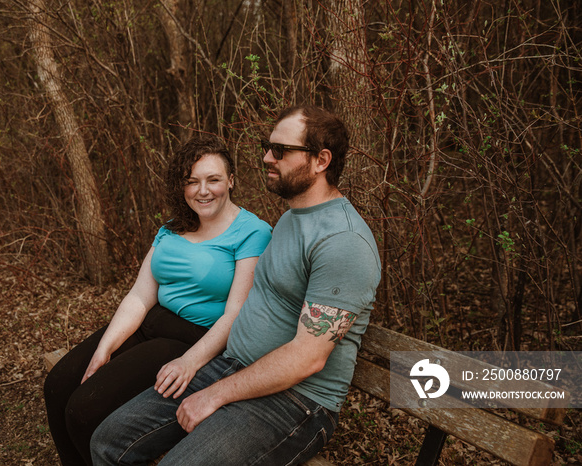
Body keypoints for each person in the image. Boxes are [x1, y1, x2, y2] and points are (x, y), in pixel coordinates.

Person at [90, 105, 382, 466]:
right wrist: (198, 364)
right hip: (232, 365)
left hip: (296, 401)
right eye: (267, 145)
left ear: (321, 160)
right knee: (107, 440)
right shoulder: (293, 217)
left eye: (280, 150)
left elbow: (307, 359)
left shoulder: (343, 242)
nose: (266, 157)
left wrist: (215, 395)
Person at [44, 136, 272, 466]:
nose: (202, 190)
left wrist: (191, 361)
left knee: (84, 411)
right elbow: (140, 295)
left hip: (190, 339)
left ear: (231, 180)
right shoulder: (172, 227)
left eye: (213, 179)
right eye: (192, 181)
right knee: (58, 385)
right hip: (151, 323)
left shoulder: (252, 232)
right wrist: (105, 348)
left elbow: (237, 313)